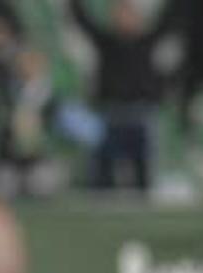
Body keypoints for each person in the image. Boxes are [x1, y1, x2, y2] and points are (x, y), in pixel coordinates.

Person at [69, 0, 178, 192]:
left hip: (140, 115)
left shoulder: (148, 42)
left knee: (143, 173)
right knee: (103, 173)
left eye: (128, 14)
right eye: (120, 14)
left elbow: (169, 19)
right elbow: (82, 20)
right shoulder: (106, 42)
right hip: (110, 114)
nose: (124, 19)